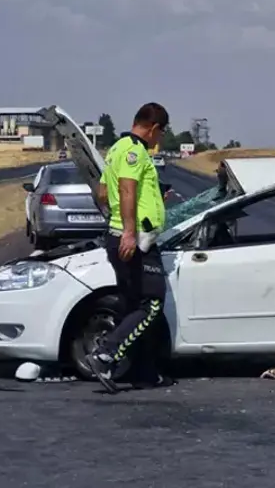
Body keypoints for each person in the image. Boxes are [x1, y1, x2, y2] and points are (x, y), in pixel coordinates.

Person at [86, 102, 175, 394]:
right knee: (151, 303)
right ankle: (106, 354)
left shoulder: (115, 149)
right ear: (154, 128)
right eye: (160, 134)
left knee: (133, 304)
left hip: (122, 234)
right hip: (135, 239)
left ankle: (144, 372)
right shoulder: (135, 150)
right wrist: (128, 232)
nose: (158, 141)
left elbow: (102, 192)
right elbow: (127, 189)